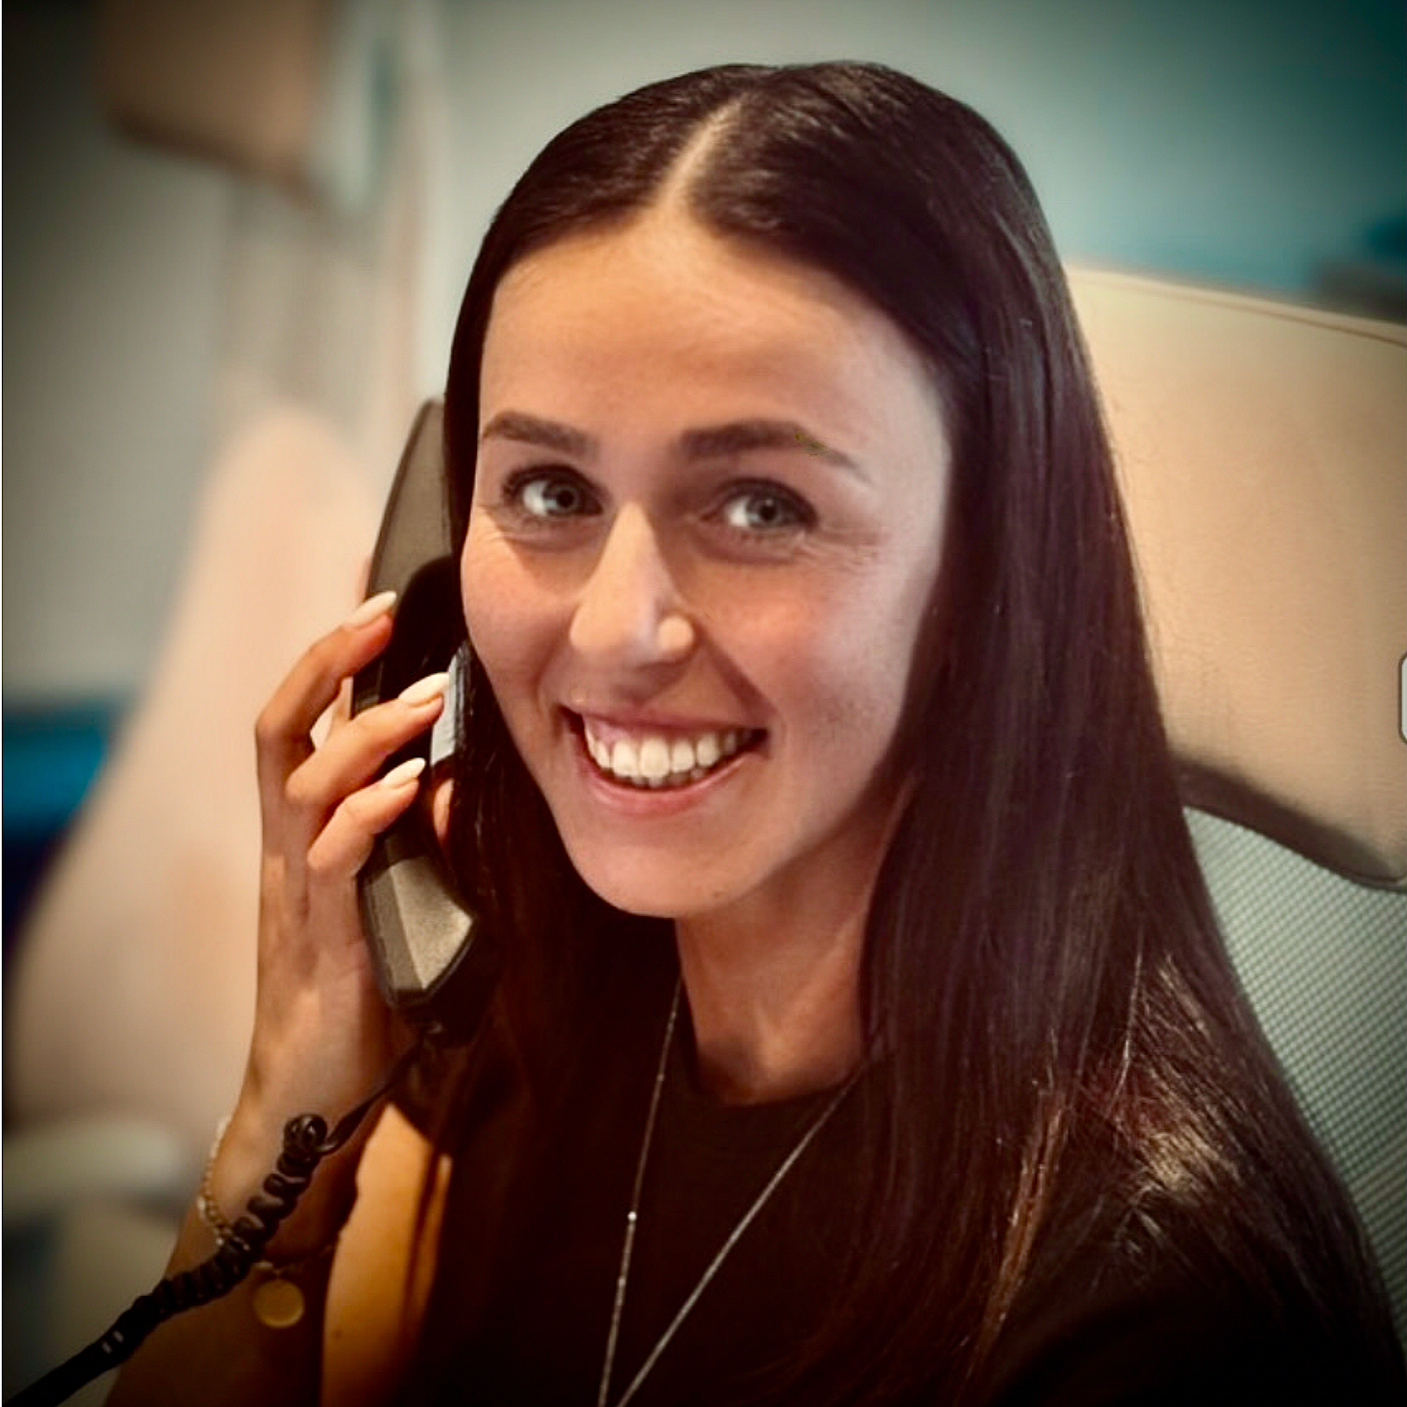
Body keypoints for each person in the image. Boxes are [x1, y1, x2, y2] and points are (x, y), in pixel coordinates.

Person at [111, 62, 1403, 1406]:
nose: (614, 631)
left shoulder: (1146, 1323)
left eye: (761, 506)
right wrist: (286, 1128)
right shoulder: (536, 996)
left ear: (986, 566)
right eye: (548, 487)